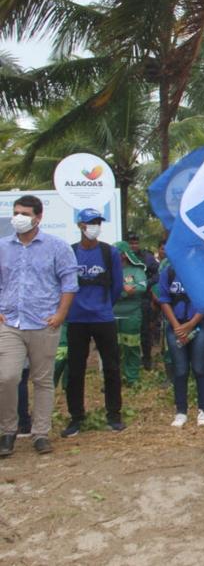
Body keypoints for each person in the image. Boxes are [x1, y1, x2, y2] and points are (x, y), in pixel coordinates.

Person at [0, 195, 78, 457]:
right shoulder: (3, 246)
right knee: (7, 377)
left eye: (24, 213)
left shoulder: (57, 247)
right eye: (16, 212)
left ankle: (40, 434)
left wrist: (60, 315)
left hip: (44, 323)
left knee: (42, 380)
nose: (18, 217)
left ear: (38, 217)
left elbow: (69, 283)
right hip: (10, 322)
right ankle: (8, 431)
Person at [62, 208, 126, 437]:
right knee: (76, 370)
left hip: (103, 318)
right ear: (80, 225)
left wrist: (105, 306)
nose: (94, 226)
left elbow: (117, 286)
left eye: (98, 222)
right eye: (91, 222)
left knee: (111, 367)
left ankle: (114, 415)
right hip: (77, 319)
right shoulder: (69, 253)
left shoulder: (110, 253)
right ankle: (76, 417)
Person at [157, 261, 204, 427]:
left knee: (199, 368)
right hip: (176, 326)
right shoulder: (169, 272)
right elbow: (164, 301)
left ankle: (203, 409)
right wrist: (177, 327)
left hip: (199, 325)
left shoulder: (202, 271)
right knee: (180, 370)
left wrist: (191, 324)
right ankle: (181, 411)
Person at [113, 241, 147, 386]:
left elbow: (141, 286)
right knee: (114, 348)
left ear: (124, 255)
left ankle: (132, 378)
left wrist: (128, 288)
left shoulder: (136, 271)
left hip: (132, 313)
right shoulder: (110, 270)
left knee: (131, 346)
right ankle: (114, 379)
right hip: (112, 314)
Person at [126, 233, 159, 371]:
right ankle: (131, 361)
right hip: (127, 301)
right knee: (129, 332)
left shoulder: (147, 257)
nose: (133, 246)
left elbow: (157, 274)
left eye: (135, 243)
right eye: (131, 243)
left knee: (145, 331)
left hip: (143, 299)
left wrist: (145, 283)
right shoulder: (123, 258)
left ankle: (147, 359)